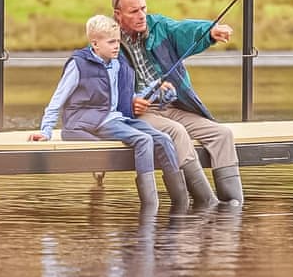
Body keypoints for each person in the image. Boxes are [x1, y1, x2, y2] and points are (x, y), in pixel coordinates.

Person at [29, 14, 188, 210]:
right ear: (95, 44)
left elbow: (127, 97)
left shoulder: (117, 63)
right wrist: (46, 130)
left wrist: (156, 90)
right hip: (90, 120)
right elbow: (57, 99)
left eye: (118, 41)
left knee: (163, 139)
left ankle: (181, 202)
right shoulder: (78, 65)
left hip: (115, 118)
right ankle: (150, 205)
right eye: (111, 42)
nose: (117, 46)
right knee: (143, 140)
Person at [112, 0, 244, 206]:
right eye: (133, 11)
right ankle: (207, 202)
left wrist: (210, 31)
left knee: (222, 134)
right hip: (139, 114)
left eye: (143, 8)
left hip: (174, 106)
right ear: (118, 15)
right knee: (177, 132)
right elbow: (102, 86)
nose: (141, 15)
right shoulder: (109, 41)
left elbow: (183, 30)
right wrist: (130, 102)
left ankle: (234, 205)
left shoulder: (159, 27)